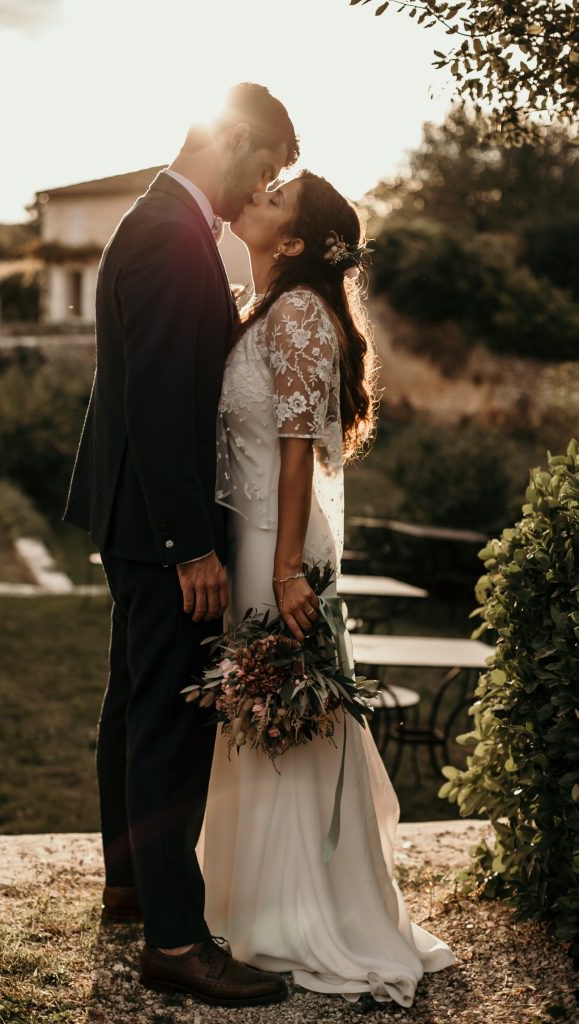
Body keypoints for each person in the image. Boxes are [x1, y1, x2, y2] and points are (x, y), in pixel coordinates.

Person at [63, 84, 299, 1007]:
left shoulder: (164, 219)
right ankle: (174, 938)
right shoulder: (168, 233)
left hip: (132, 515)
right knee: (168, 718)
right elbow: (162, 403)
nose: (264, 184)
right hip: (162, 526)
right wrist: (187, 546)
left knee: (132, 702)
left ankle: (130, 887)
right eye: (265, 164)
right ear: (230, 138)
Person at [201, 170, 455, 1008]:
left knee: (284, 713)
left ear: (297, 240)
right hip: (252, 540)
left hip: (279, 546)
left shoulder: (302, 313)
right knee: (264, 713)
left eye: (275, 194)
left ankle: (295, 914)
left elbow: (299, 442)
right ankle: (251, 900)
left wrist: (280, 571)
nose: (257, 193)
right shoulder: (267, 308)